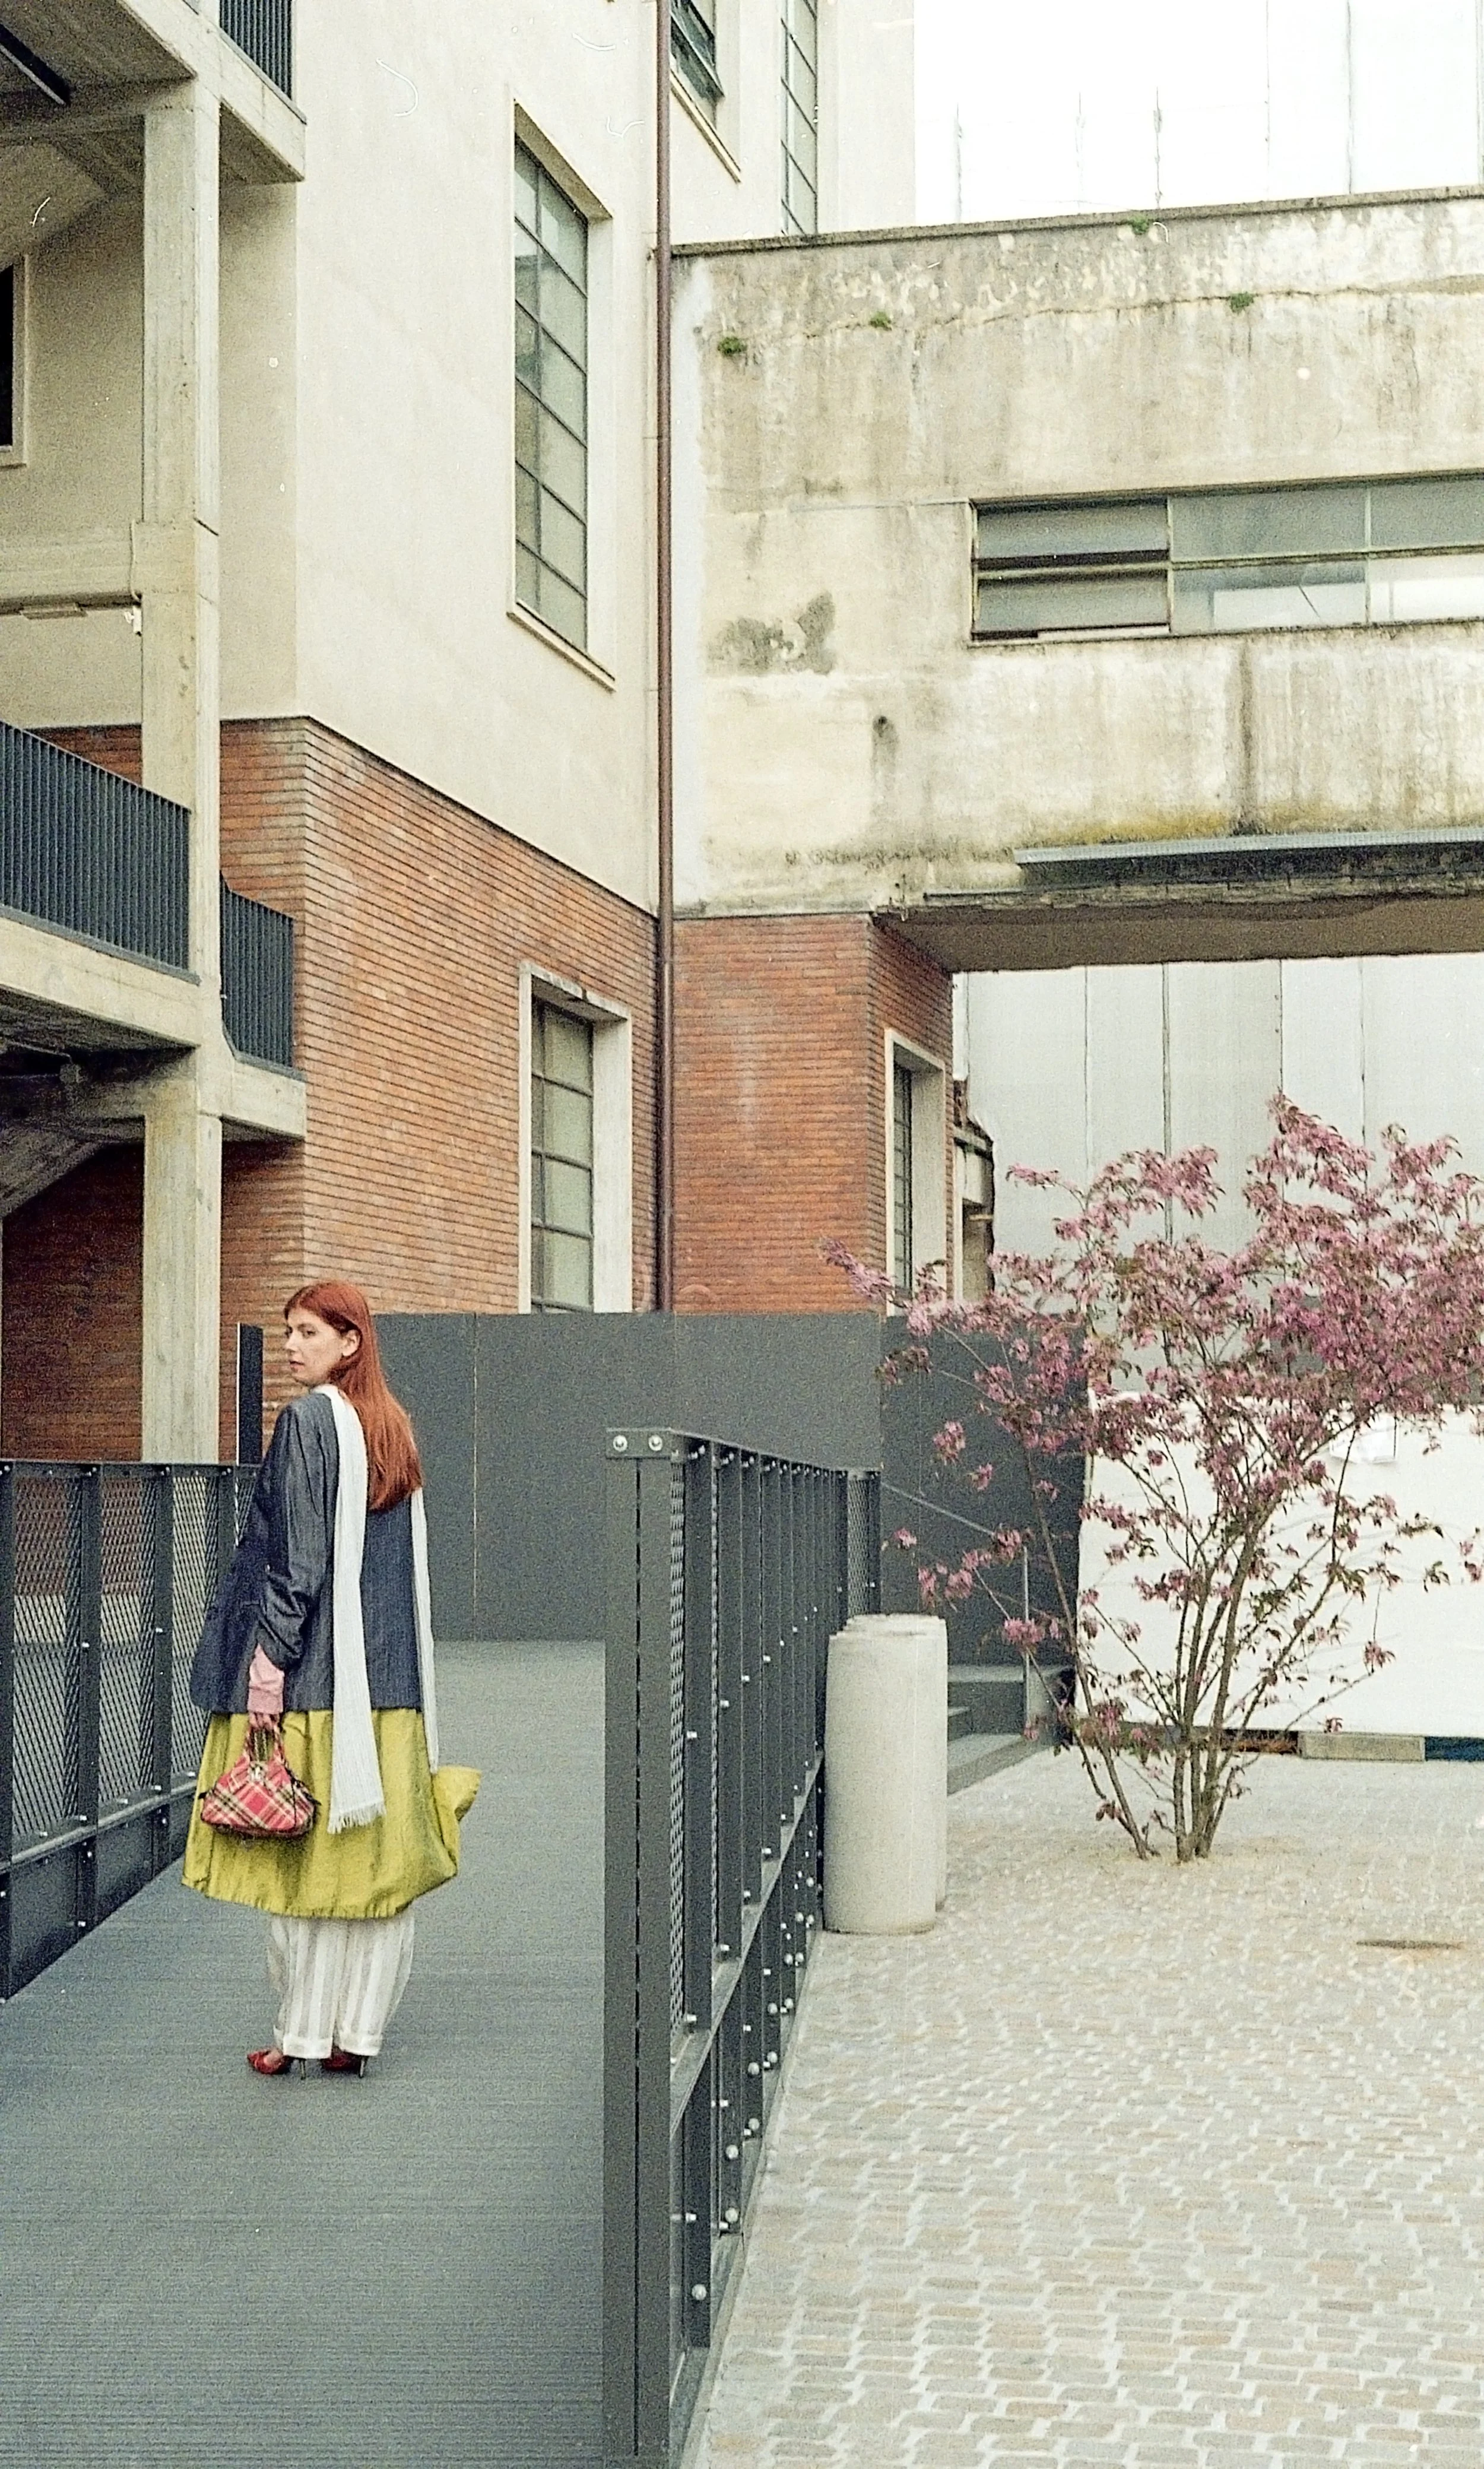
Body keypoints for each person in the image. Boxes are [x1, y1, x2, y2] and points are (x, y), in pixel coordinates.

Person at [184, 1279, 478, 2077]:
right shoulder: (391, 1425)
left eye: (309, 1331)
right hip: (390, 1682)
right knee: (373, 1875)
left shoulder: (312, 1420)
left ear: (351, 1341)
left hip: (320, 1684)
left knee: (306, 1871)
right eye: (288, 1331)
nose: (291, 1344)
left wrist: (268, 1666)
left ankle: (300, 2035)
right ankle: (357, 2034)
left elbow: (298, 1561)